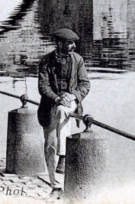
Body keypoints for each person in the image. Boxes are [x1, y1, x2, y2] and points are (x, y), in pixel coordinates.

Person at [37, 28, 90, 190]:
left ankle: (63, 156)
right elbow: (43, 87)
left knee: (62, 110)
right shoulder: (46, 61)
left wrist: (72, 96)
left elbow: (85, 84)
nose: (73, 46)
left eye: (74, 43)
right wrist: (57, 98)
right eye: (69, 43)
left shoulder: (77, 60)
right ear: (59, 44)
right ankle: (54, 183)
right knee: (49, 143)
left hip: (70, 102)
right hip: (49, 104)